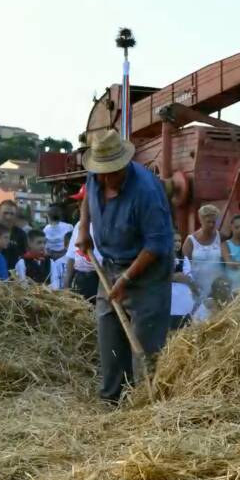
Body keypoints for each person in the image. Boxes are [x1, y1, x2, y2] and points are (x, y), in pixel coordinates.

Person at [74, 129, 173, 403]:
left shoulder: (147, 191)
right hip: (109, 265)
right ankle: (111, 402)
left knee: (144, 344)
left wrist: (127, 279)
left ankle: (144, 405)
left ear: (125, 164)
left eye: (112, 172)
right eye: (101, 172)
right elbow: (86, 199)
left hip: (147, 272)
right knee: (110, 336)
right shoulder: (96, 174)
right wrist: (84, 229)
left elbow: (157, 245)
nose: (105, 178)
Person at [183, 204, 223, 301]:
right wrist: (192, 286)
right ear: (200, 220)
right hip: (197, 288)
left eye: (214, 222)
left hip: (217, 289)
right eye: (208, 222)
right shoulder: (190, 241)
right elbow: (185, 267)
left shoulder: (221, 236)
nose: (211, 225)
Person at [170, 239, 196, 329]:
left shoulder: (184, 259)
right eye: (174, 240)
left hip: (183, 301)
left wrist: (176, 277)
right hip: (170, 302)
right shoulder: (162, 259)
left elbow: (188, 278)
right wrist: (176, 277)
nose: (177, 243)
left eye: (179, 240)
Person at [0, 199, 28, 269]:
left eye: (12, 214)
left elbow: (24, 257)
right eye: (5, 213)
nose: (8, 217)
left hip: (14, 277)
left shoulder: (21, 235)